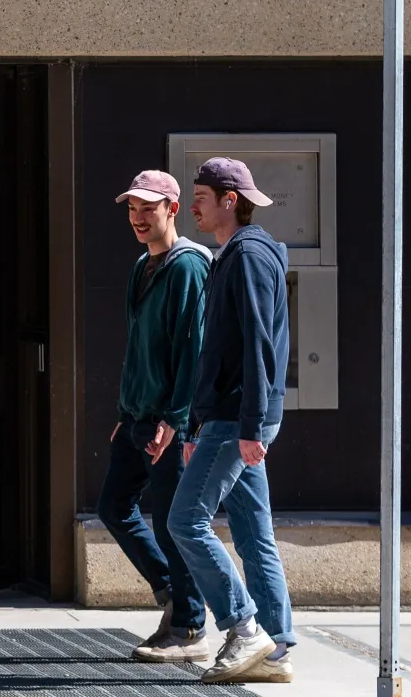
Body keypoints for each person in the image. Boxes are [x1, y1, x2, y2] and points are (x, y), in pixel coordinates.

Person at [167, 157, 295, 685]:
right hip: (230, 418)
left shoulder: (246, 256)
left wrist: (246, 427)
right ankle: (276, 648)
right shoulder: (235, 254)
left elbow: (257, 348)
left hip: (237, 418)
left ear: (229, 200)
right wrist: (200, 425)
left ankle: (245, 629)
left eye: (200, 194)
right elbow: (221, 350)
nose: (193, 203)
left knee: (185, 521)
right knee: (252, 531)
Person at [95, 170, 214, 664]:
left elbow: (194, 351)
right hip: (138, 416)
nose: (139, 218)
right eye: (132, 209)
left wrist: (175, 419)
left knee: (171, 521)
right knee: (113, 506)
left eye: (149, 208)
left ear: (172, 208)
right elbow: (137, 348)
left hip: (169, 419)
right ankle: (171, 594)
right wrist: (127, 411)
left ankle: (188, 628)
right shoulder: (143, 264)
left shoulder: (188, 266)